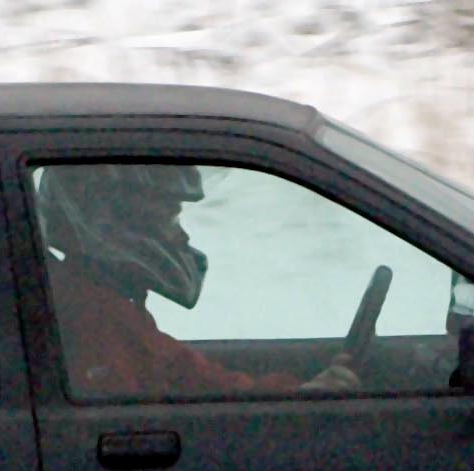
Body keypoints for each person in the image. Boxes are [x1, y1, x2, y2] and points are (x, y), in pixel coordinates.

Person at [33, 163, 357, 400]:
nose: (182, 235)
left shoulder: (106, 301)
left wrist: (296, 396)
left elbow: (191, 377)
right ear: (116, 219)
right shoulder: (93, 320)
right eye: (170, 218)